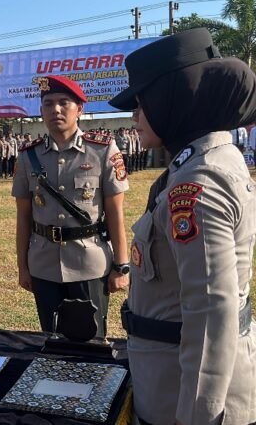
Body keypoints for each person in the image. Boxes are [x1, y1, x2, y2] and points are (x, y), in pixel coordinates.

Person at [109, 28, 256, 425]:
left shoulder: (199, 183)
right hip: (167, 378)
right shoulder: (200, 164)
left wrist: (196, 417)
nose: (135, 116)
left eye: (141, 103)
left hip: (184, 399)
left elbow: (211, 319)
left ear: (172, 98)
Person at [12, 75, 129, 339]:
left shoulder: (102, 150)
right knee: (52, 340)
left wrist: (121, 265)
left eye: (64, 103)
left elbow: (115, 213)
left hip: (90, 262)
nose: (56, 110)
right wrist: (23, 266)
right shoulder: (28, 156)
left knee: (92, 340)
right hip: (43, 263)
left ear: (80, 109)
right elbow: (23, 218)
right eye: (48, 104)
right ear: (41, 111)